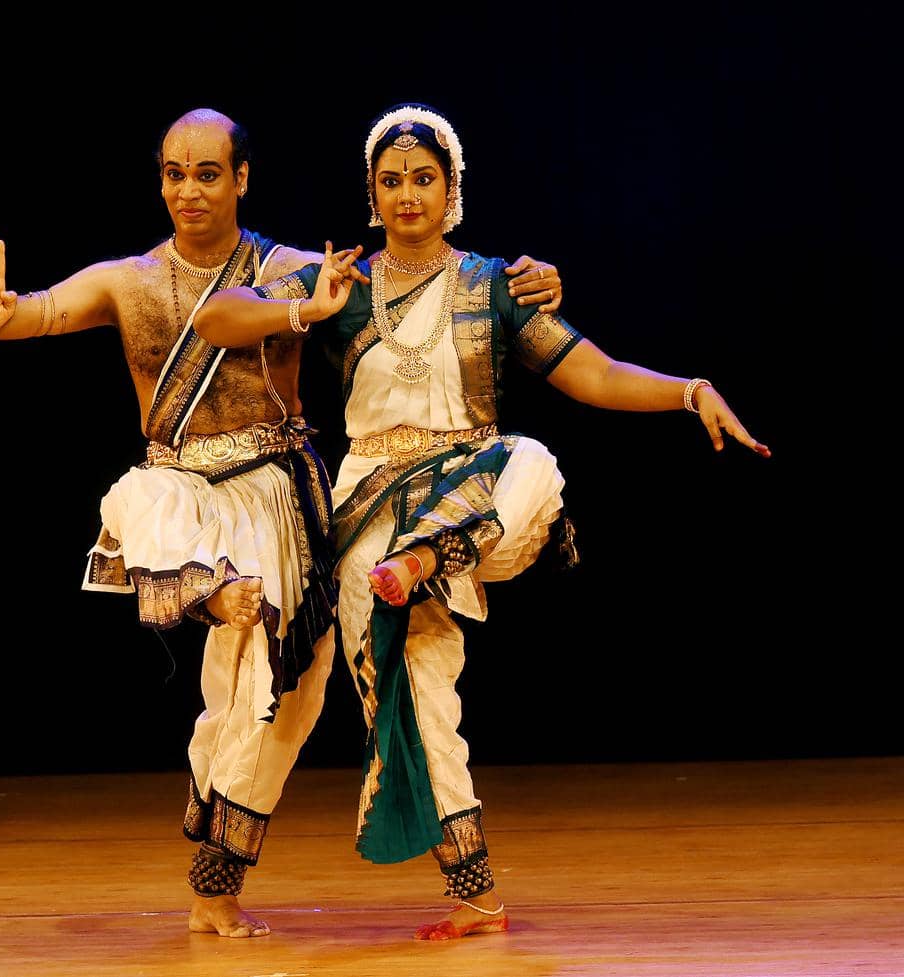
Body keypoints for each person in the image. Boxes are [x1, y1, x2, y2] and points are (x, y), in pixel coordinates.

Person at [0, 107, 567, 939]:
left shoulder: (292, 269)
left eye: (208, 173)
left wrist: (525, 282)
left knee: (276, 697)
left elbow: (404, 289)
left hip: (276, 497)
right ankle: (212, 593)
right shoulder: (127, 281)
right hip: (183, 494)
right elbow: (31, 314)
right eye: (175, 173)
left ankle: (216, 881)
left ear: (241, 179)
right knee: (164, 537)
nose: (189, 190)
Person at [193, 103, 770, 941]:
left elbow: (595, 375)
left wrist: (688, 391)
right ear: (371, 192)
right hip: (366, 518)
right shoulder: (340, 286)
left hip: (473, 505)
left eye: (423, 178)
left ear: (452, 187)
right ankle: (459, 893)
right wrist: (308, 311)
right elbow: (215, 319)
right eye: (389, 181)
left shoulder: (496, 284)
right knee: (341, 689)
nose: (406, 195)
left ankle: (433, 553)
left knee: (535, 457)